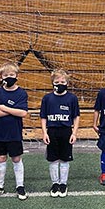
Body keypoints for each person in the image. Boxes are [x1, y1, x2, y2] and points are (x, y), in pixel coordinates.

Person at [0, 62, 28, 200]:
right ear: (1, 77)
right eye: (6, 75)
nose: (9, 77)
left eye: (11, 75)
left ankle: (20, 186)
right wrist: (13, 111)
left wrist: (3, 108)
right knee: (1, 158)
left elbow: (23, 113)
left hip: (14, 133)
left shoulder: (21, 93)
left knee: (16, 158)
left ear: (17, 76)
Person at [40, 69, 80, 197]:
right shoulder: (47, 98)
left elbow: (76, 117)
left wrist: (74, 133)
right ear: (52, 83)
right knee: (53, 159)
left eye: (63, 81)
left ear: (67, 83)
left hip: (66, 131)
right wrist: (44, 133)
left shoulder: (72, 98)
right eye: (57, 81)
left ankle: (63, 184)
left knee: (64, 159)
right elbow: (43, 117)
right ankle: (55, 184)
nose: (60, 83)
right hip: (52, 131)